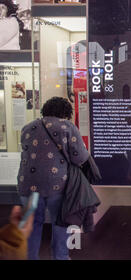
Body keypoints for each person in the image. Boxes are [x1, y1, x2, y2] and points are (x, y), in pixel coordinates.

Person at [17, 97, 90, 260]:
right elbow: (80, 157)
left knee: (32, 225)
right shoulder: (67, 127)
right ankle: (60, 257)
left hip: (28, 185)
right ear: (66, 112)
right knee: (60, 223)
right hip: (57, 185)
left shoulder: (27, 127)